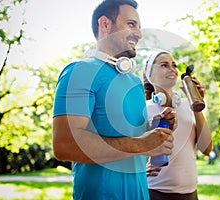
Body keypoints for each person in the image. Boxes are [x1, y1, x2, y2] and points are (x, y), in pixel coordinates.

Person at [52, 1, 176, 199]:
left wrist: (154, 132)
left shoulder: (135, 83)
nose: (139, 34)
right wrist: (143, 144)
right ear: (105, 24)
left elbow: (132, 145)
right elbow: (65, 145)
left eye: (139, 27)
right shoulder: (79, 72)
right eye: (131, 24)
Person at [143, 50, 212, 200]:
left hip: (191, 193)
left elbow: (206, 148)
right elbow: (132, 151)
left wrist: (196, 105)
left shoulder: (188, 106)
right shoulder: (143, 110)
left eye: (174, 65)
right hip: (155, 192)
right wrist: (141, 170)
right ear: (150, 75)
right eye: (164, 65)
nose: (172, 69)